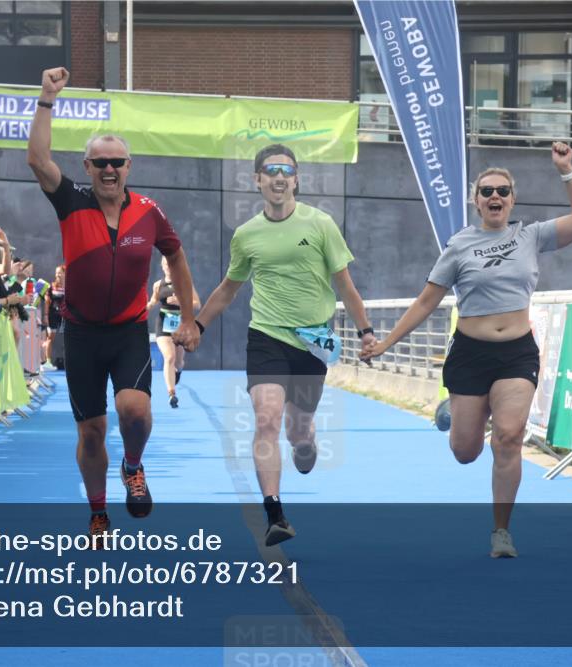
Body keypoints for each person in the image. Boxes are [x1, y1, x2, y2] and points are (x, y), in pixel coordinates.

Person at [360, 142, 572, 558]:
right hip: (470, 353)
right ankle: (453, 410)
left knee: (508, 436)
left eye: (502, 191)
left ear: (512, 199)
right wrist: (386, 343)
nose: (495, 197)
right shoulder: (459, 245)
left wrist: (566, 170)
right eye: (486, 191)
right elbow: (425, 302)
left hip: (517, 354)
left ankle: (501, 532)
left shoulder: (530, 235)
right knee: (465, 452)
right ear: (475, 201)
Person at [27, 66, 200, 543]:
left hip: (126, 332)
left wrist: (188, 316)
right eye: (99, 162)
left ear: (129, 167)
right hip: (81, 335)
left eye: (117, 162)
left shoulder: (149, 211)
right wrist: (46, 98)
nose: (109, 169)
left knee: (135, 412)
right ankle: (98, 510)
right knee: (91, 433)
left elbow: (177, 256)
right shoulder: (71, 202)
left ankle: (134, 466)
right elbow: (38, 159)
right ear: (86, 168)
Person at [181, 144, 374, 546]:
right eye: (271, 171)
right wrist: (198, 324)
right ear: (258, 180)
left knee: (297, 430)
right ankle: (275, 514)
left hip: (313, 342)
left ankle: (305, 442)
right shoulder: (247, 235)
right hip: (266, 336)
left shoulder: (320, 224)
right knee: (266, 418)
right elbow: (228, 290)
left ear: (297, 179)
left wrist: (366, 332)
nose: (279, 177)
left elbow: (346, 286)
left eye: (287, 170)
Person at [148, 255, 201, 408]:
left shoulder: (185, 283)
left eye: (170, 263)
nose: (167, 266)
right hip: (163, 324)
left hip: (180, 325)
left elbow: (197, 304)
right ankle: (172, 394)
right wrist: (146, 306)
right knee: (169, 358)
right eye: (165, 263)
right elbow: (154, 300)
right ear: (162, 265)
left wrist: (179, 301)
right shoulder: (158, 285)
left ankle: (177, 372)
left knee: (178, 361)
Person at [43, 264, 65, 367]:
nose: (58, 275)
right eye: (56, 273)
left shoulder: (70, 287)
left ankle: (70, 362)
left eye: (60, 272)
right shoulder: (51, 287)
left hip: (65, 317)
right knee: (50, 338)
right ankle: (47, 362)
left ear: (65, 273)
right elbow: (47, 302)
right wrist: (46, 315)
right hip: (53, 316)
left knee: (69, 339)